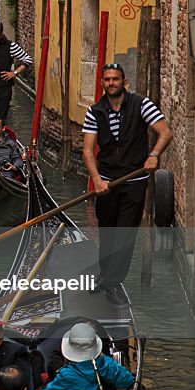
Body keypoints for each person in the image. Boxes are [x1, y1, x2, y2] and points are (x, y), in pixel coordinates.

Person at [82, 63, 172, 304]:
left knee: (124, 234)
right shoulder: (95, 111)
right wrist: (97, 180)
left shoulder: (141, 105)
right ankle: (106, 275)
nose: (111, 83)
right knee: (108, 231)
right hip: (107, 181)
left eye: (116, 79)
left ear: (124, 82)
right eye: (107, 80)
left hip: (135, 179)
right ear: (102, 83)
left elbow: (165, 132)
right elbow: (88, 151)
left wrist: (153, 155)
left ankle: (112, 282)